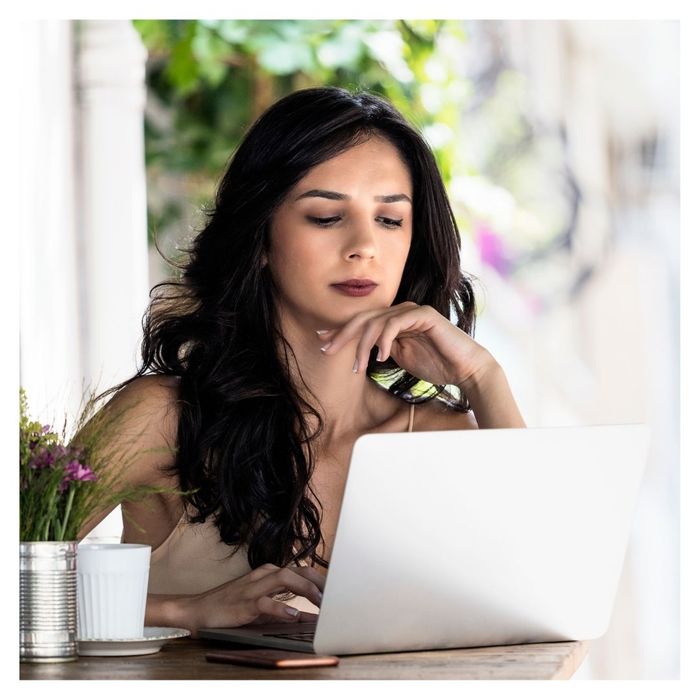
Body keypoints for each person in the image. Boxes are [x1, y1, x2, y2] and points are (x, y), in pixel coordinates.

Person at [76, 86, 526, 637]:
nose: (364, 246)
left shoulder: (440, 438)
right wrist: (182, 611)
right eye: (325, 216)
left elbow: (547, 601)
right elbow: (19, 576)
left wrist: (484, 378)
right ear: (261, 236)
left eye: (389, 220)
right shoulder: (163, 418)